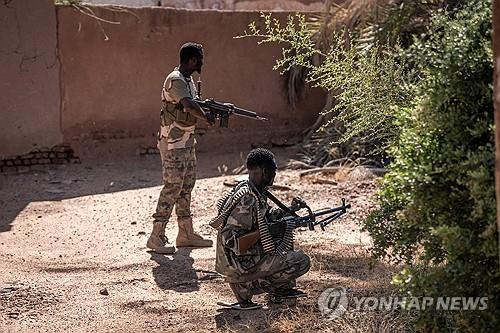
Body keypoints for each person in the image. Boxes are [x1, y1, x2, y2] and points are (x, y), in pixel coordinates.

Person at [211, 148, 311, 310]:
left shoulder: (253, 191)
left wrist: (289, 211)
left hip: (243, 262)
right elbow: (232, 241)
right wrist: (269, 231)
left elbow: (265, 218)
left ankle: (281, 290)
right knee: (301, 261)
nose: (274, 177)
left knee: (283, 237)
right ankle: (246, 288)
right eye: (272, 172)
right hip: (240, 266)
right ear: (264, 172)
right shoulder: (247, 199)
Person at [147, 42, 214, 254]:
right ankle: (156, 236)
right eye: (200, 58)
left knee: (186, 186)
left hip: (186, 142)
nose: (202, 62)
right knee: (172, 187)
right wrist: (206, 116)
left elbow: (194, 104)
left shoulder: (188, 80)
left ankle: (185, 234)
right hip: (173, 143)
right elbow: (188, 105)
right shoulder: (175, 80)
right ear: (192, 60)